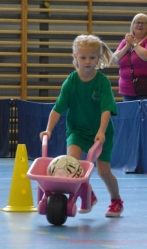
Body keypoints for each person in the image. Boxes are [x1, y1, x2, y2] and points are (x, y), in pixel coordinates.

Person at [39, 34, 123, 217]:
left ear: (98, 58)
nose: (87, 61)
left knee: (103, 171)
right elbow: (57, 108)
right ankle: (88, 194)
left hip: (100, 133)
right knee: (72, 165)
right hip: (77, 131)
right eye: (83, 57)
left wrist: (101, 132)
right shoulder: (71, 81)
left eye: (92, 58)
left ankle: (116, 200)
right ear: (75, 57)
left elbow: (106, 110)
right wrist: (48, 129)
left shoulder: (102, 82)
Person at [114, 13, 147, 101]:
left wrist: (134, 43)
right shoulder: (126, 41)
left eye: (143, 23)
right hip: (127, 88)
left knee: (145, 114)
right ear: (132, 25)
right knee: (130, 114)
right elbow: (114, 60)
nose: (140, 25)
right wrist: (127, 46)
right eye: (137, 22)